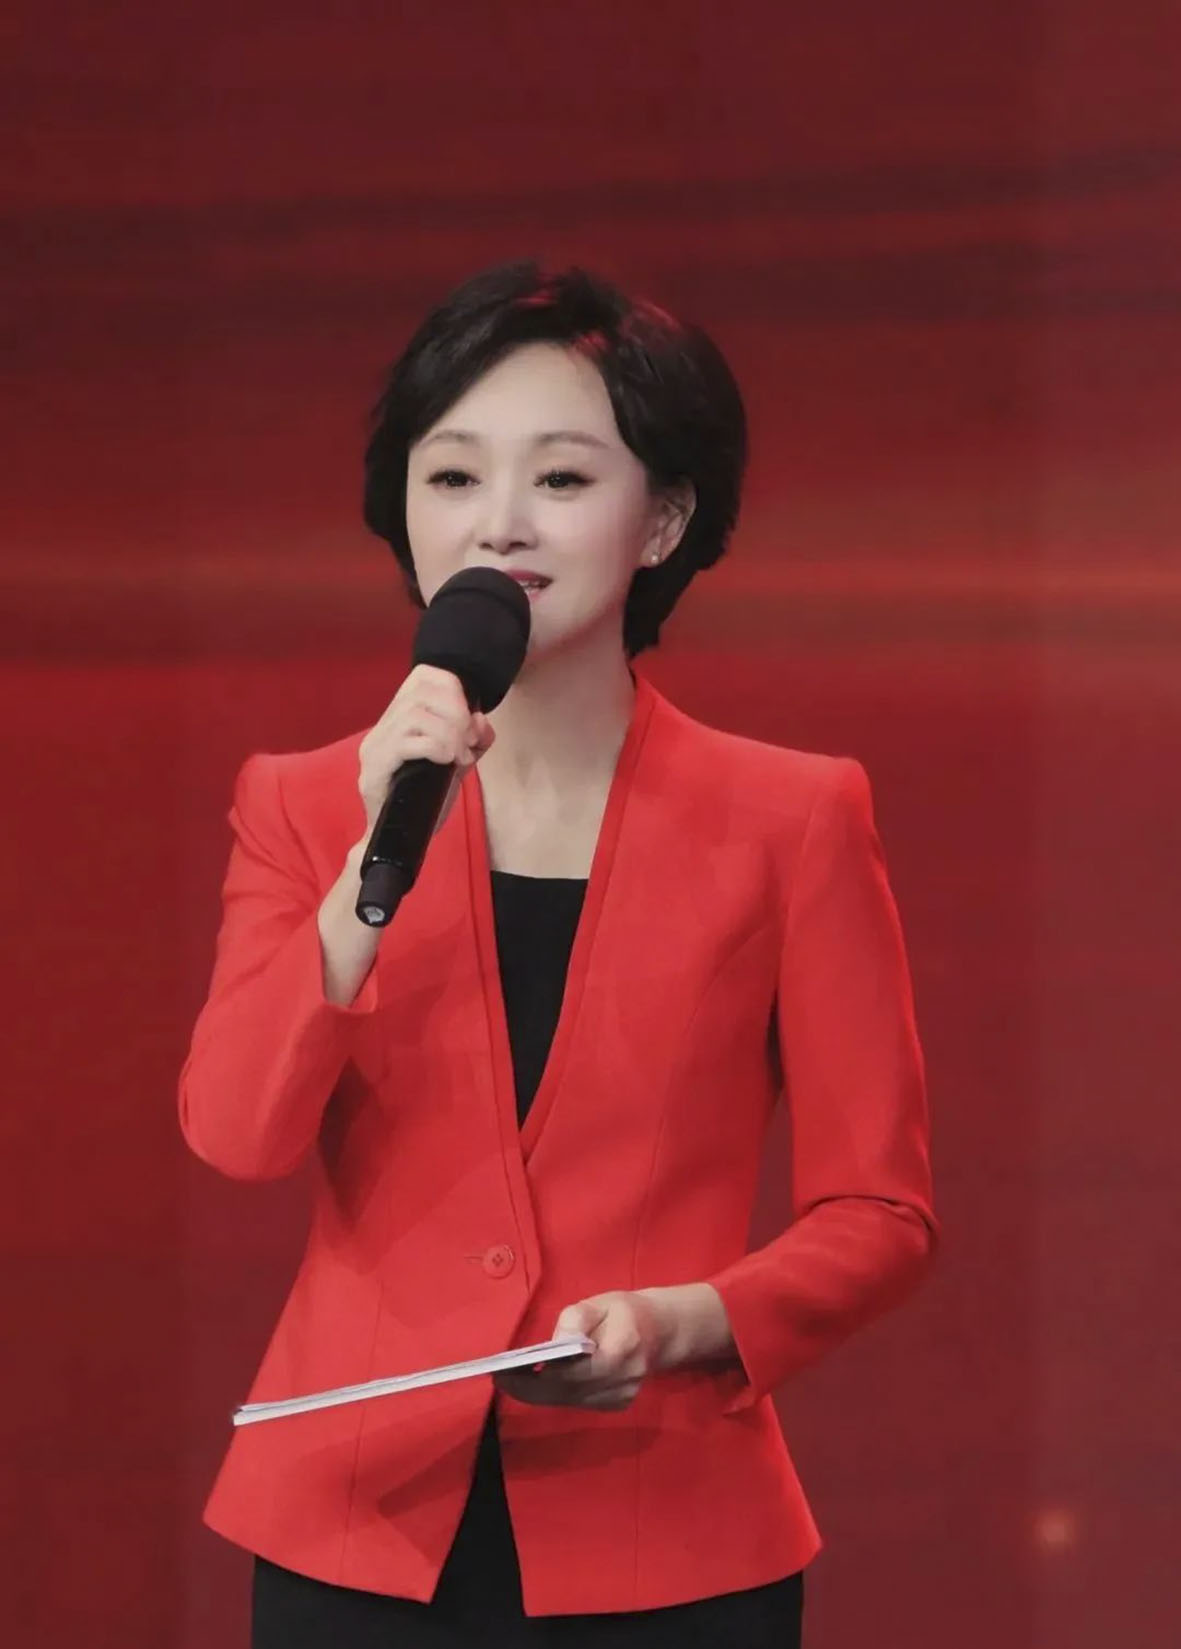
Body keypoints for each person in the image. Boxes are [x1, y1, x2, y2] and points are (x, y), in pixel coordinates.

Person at [178, 259, 938, 1648]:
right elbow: (237, 1132)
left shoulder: (795, 816)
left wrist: (687, 1320)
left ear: (665, 520)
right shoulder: (301, 803)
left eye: (564, 479)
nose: (500, 523)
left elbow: (878, 1211)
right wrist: (369, 867)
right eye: (453, 476)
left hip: (668, 1536)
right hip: (351, 1533)